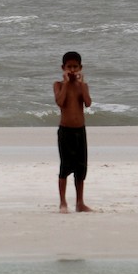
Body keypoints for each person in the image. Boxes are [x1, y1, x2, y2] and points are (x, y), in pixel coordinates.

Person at [53, 50, 93, 212]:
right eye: (69, 67)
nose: (72, 70)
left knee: (81, 167)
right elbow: (60, 102)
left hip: (80, 131)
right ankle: (63, 202)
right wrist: (66, 83)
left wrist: (81, 85)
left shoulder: (82, 85)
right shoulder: (58, 85)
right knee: (65, 166)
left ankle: (80, 202)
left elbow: (88, 103)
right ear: (63, 68)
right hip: (65, 131)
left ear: (80, 68)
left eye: (75, 67)